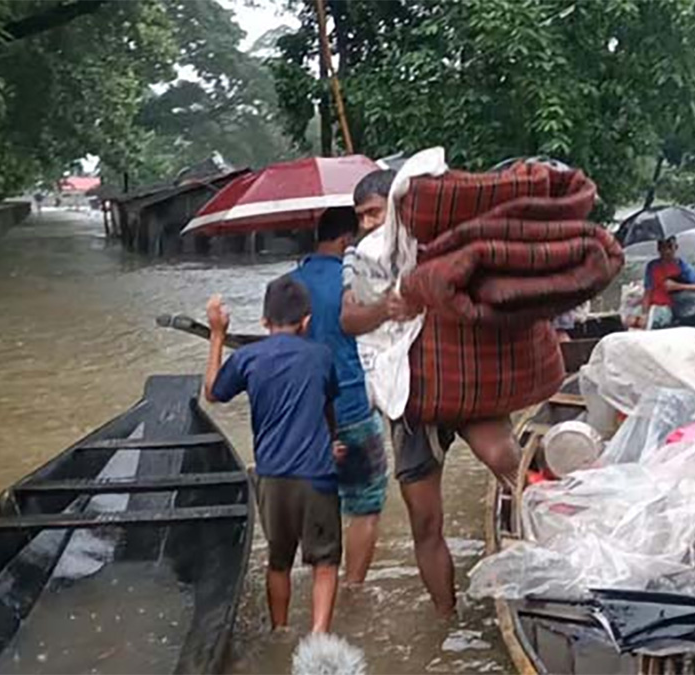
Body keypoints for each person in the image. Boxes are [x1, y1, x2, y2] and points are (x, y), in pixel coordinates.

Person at [340, 169, 519, 617]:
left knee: (505, 461)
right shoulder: (361, 258)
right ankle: (445, 617)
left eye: (374, 213)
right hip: (410, 396)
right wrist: (386, 306)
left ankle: (552, 553)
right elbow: (348, 320)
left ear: (398, 208)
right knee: (424, 520)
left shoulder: (443, 239)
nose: (366, 224)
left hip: (466, 376)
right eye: (360, 216)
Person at [202, 277, 343, 634]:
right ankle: (318, 637)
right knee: (324, 563)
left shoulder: (248, 358)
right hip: (317, 475)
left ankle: (280, 632)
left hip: (272, 476)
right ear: (307, 321)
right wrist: (332, 441)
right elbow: (328, 406)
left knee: (278, 562)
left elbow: (213, 394)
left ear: (264, 321)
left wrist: (217, 334)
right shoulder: (321, 356)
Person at [289, 206, 388, 585]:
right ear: (348, 241)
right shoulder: (356, 288)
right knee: (365, 506)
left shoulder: (286, 286)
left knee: (317, 502)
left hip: (303, 418)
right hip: (350, 408)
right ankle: (353, 588)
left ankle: (320, 580)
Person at [642, 236, 695, 329]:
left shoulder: (681, 266)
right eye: (663, 248)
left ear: (676, 247)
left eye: (670, 247)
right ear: (658, 249)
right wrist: (644, 313)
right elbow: (647, 292)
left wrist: (677, 286)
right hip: (654, 307)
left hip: (671, 309)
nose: (667, 251)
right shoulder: (652, 266)